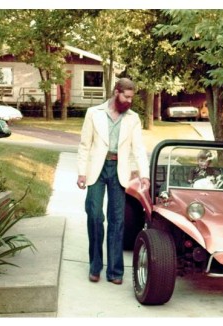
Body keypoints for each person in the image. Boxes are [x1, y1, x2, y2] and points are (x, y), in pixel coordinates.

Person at [77, 78, 149, 285]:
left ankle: (115, 271)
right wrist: (82, 172)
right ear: (116, 92)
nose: (129, 101)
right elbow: (84, 145)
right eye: (126, 96)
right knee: (94, 216)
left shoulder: (133, 118)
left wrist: (144, 174)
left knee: (118, 221)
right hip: (96, 171)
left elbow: (138, 148)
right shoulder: (94, 113)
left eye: (131, 97)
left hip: (119, 171)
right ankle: (95, 266)